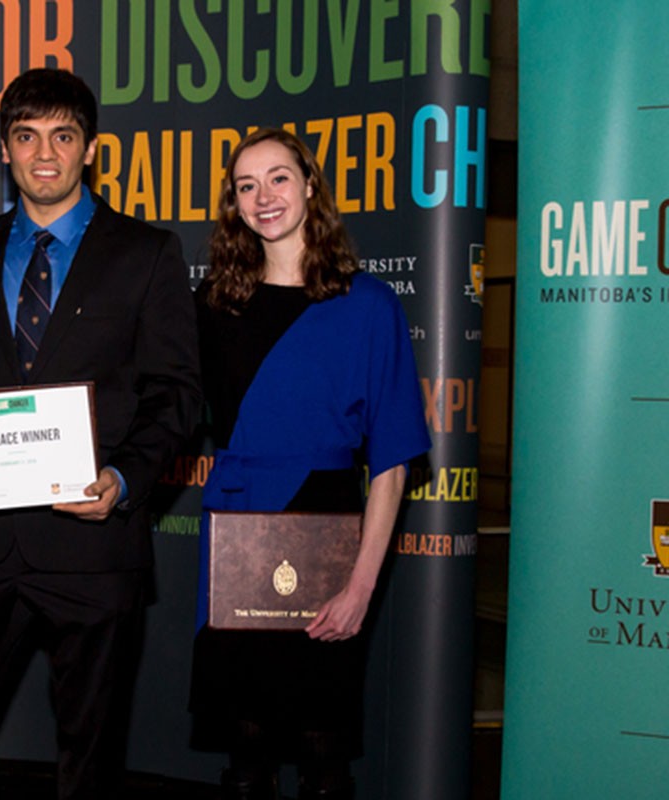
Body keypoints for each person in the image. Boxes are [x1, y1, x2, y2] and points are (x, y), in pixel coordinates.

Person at [0, 68, 202, 800]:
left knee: (89, 758)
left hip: (92, 545)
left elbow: (178, 396)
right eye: (26, 135)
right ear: (4, 150)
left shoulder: (146, 252)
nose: (44, 153)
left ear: (89, 149)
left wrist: (124, 480)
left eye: (62, 136)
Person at [189, 127, 431, 800]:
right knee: (246, 758)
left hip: (327, 541)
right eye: (246, 185)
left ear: (310, 186)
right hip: (239, 534)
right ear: (233, 204)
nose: (263, 196)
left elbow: (392, 462)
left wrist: (360, 586)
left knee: (324, 763)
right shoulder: (212, 306)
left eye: (279, 178)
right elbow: (161, 405)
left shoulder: (370, 306)